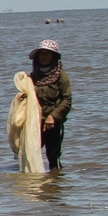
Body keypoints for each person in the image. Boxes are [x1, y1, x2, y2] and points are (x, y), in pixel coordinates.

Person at [29, 39, 73, 171]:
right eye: (41, 53)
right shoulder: (32, 77)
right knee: (30, 155)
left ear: (54, 57)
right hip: (35, 122)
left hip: (54, 123)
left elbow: (67, 100)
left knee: (53, 158)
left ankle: (55, 186)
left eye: (47, 54)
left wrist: (53, 116)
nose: (44, 56)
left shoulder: (61, 76)